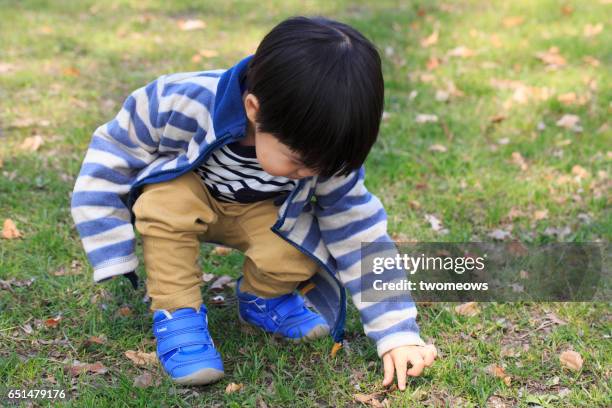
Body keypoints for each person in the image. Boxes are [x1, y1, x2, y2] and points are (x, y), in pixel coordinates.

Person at [71, 16, 437, 389]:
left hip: (260, 212)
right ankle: (177, 311)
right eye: (298, 161)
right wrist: (110, 245)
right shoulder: (177, 100)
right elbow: (112, 152)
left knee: (302, 245)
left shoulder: (324, 152)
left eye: (322, 166)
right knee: (165, 203)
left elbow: (360, 232)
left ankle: (262, 299)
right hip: (186, 196)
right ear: (253, 109)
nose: (311, 172)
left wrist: (398, 334)